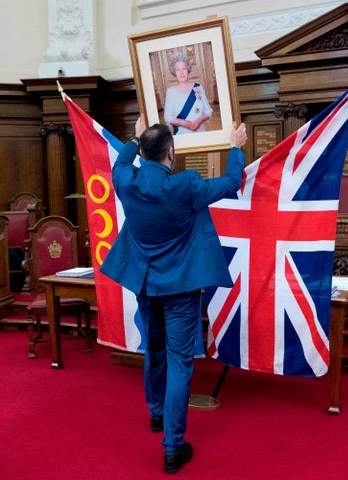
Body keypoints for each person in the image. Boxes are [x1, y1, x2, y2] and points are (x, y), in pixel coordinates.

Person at [100, 116, 248, 474]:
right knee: (180, 362)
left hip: (146, 286)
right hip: (180, 289)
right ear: (171, 153)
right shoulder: (187, 184)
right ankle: (173, 447)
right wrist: (235, 147)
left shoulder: (125, 180)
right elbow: (230, 184)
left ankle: (156, 416)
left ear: (142, 152)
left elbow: (122, 159)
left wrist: (136, 139)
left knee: (153, 350)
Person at [163, 53, 213, 135]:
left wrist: (199, 120)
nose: (181, 72)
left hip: (200, 132)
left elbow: (208, 111)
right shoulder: (170, 92)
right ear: (174, 72)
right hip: (182, 134)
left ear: (188, 69)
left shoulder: (198, 87)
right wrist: (184, 123)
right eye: (177, 70)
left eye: (184, 68)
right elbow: (167, 117)